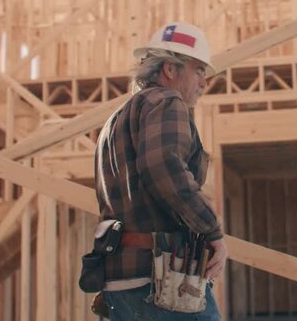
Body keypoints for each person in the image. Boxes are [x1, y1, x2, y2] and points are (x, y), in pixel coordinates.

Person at [93, 22, 227, 320]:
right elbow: (163, 169)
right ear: (170, 69)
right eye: (198, 70)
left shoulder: (117, 119)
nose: (204, 81)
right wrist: (211, 230)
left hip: (120, 282)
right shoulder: (168, 102)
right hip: (162, 282)